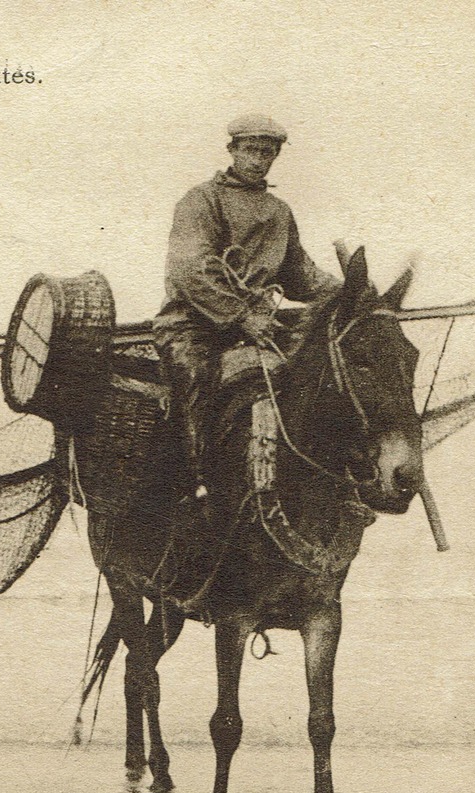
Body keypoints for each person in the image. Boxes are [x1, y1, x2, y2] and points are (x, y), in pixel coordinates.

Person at [153, 114, 342, 502]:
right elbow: (192, 269)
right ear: (232, 150)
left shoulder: (278, 211)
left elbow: (300, 274)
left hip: (261, 326)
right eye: (251, 150)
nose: (259, 160)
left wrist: (352, 292)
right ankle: (193, 481)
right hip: (195, 324)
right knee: (193, 376)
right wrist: (240, 316)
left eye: (267, 153)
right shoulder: (201, 200)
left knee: (320, 374)